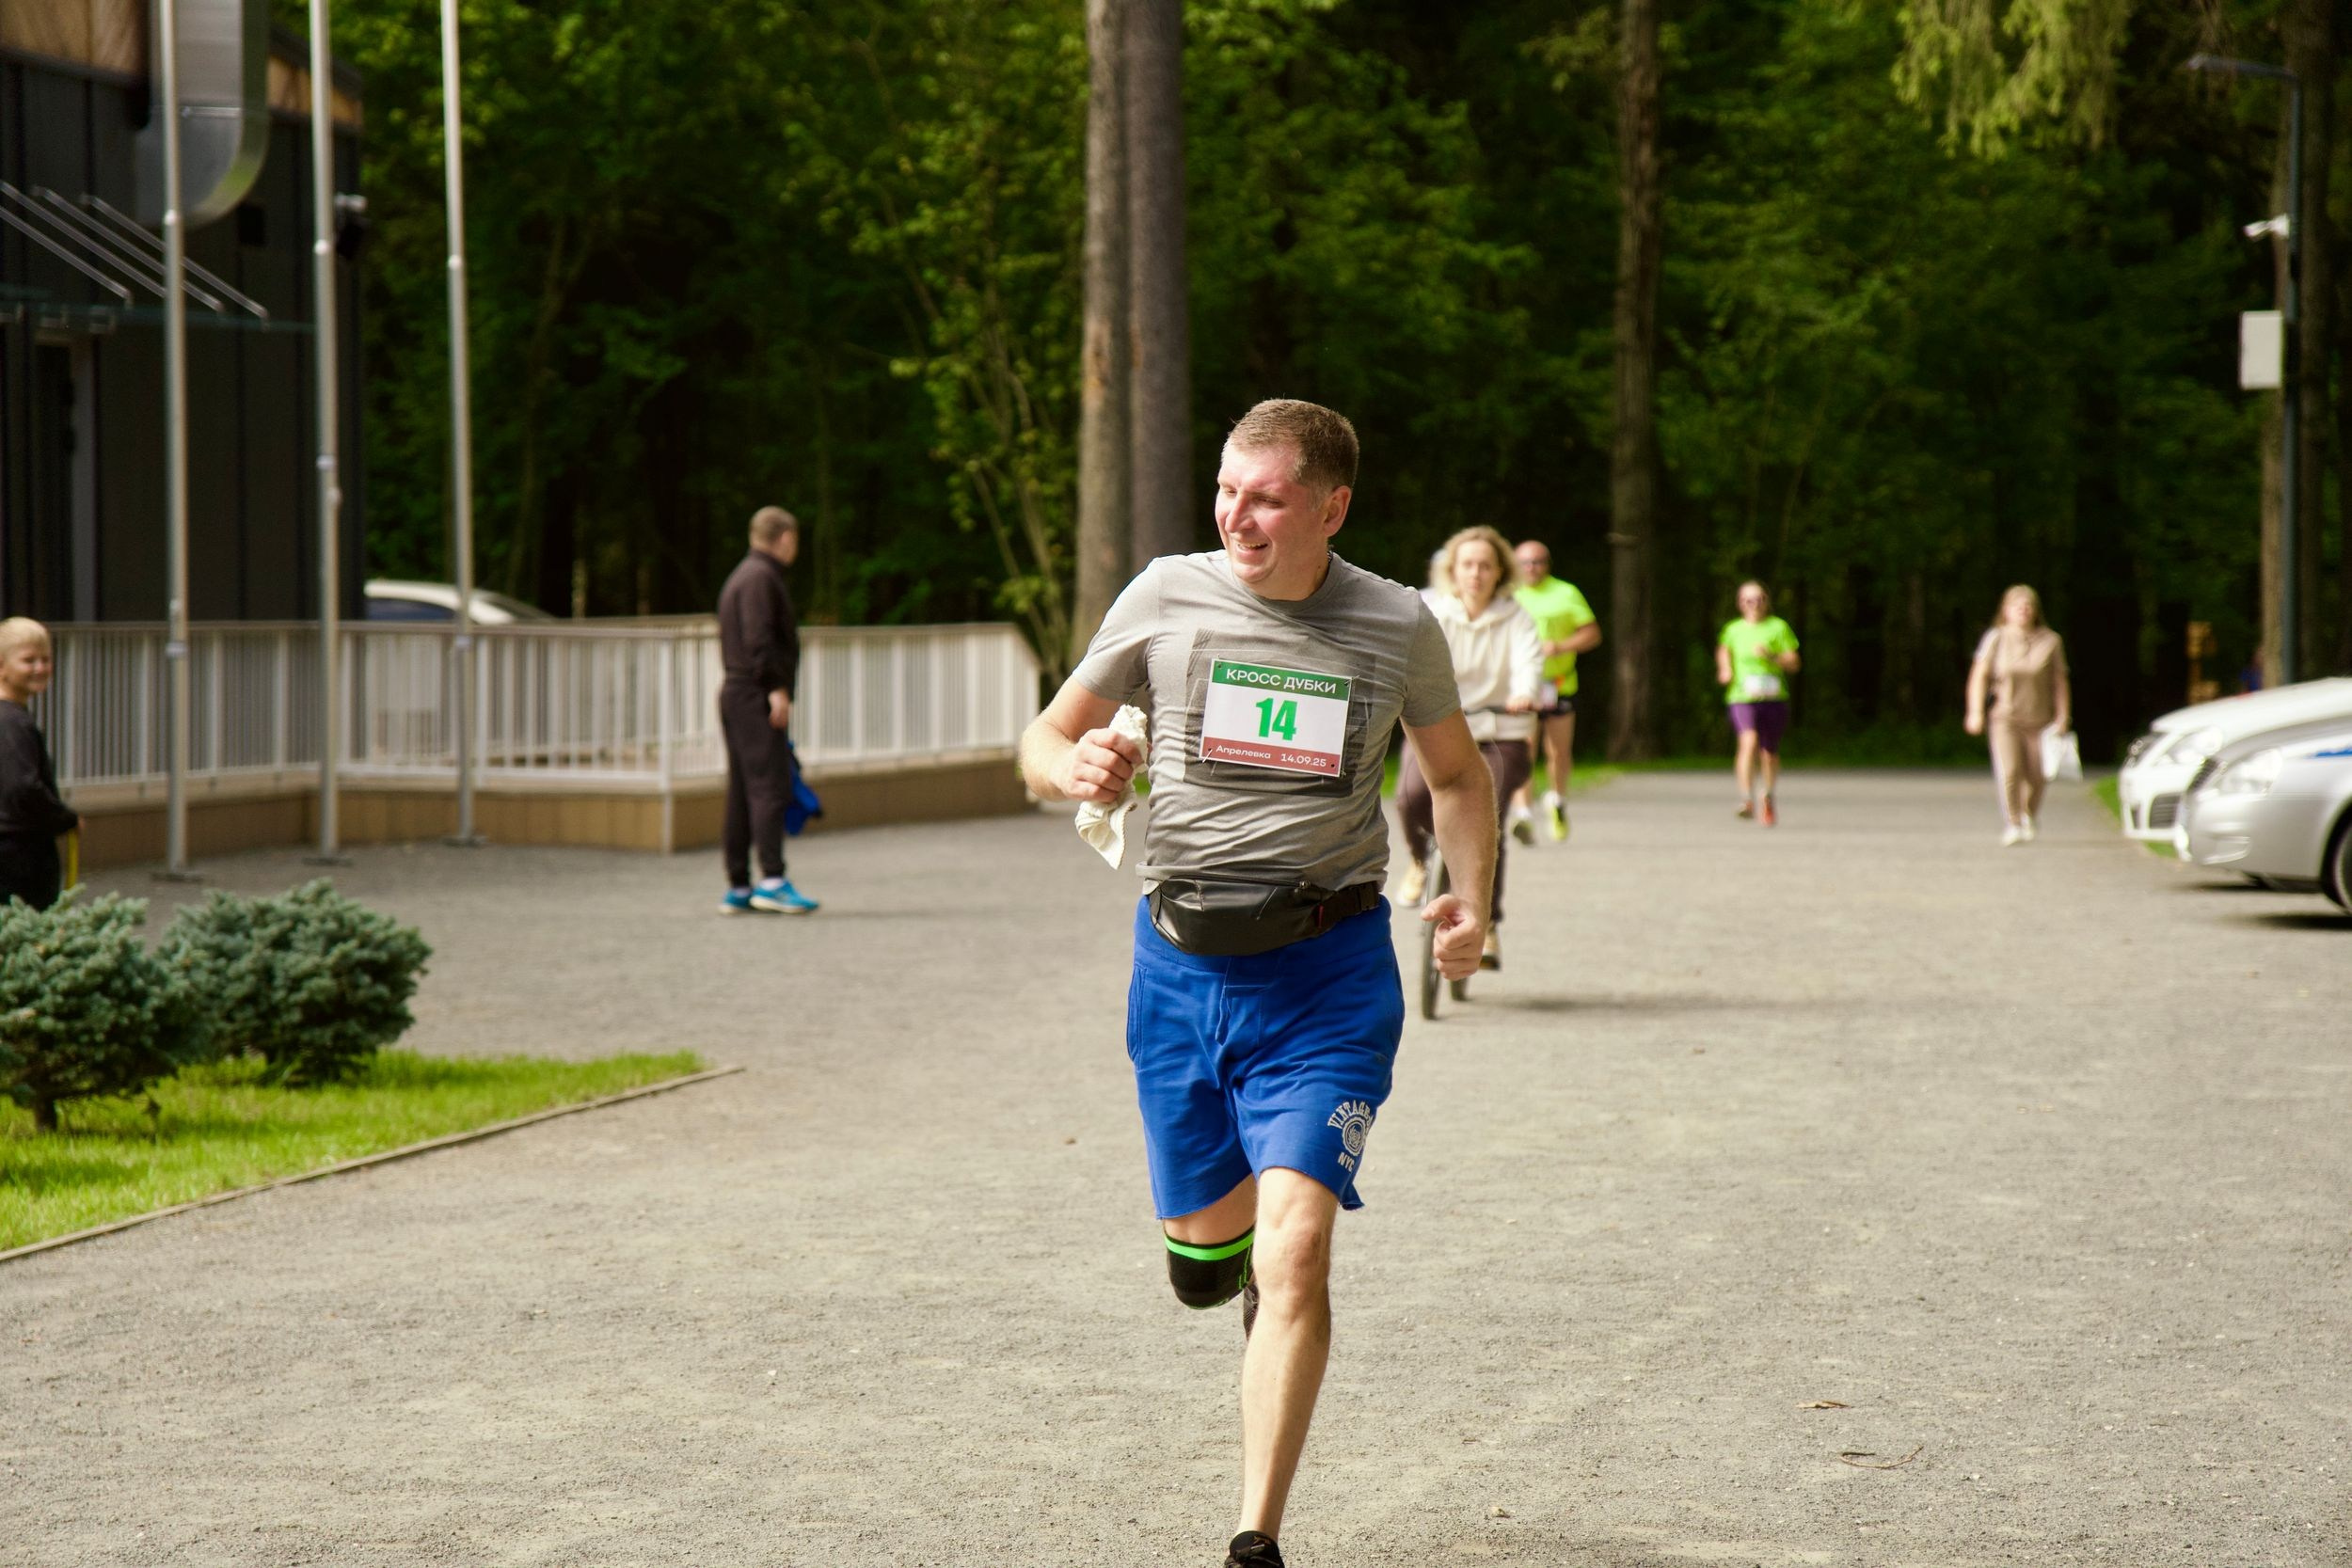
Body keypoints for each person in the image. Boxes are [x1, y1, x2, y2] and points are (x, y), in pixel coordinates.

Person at [1020, 399, 1494, 1568]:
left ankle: (1254, 1535)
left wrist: (1468, 901)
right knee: (1207, 1260)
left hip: (1327, 975)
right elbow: (1043, 739)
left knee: (1297, 1252)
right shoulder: (1165, 593)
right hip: (1178, 972)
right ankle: (1215, 1261)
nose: (1237, 513)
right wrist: (1071, 761)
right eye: (1228, 488)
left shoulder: (1395, 623)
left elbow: (1460, 776)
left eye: (1268, 494)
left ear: (1331, 506)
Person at [1395, 526, 1542, 971]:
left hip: (1501, 730)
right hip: (1439, 726)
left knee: (1487, 819)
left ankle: (1487, 923)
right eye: (1467, 565)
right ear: (1452, 571)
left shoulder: (1517, 617)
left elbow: (1527, 662)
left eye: (1485, 565)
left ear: (1500, 572)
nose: (1475, 574)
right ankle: (1420, 861)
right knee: (1409, 797)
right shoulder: (1429, 609)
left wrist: (1525, 691)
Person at [715, 506, 818, 915]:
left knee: (743, 789)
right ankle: (772, 880)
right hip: (755, 693)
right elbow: (760, 638)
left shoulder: (742, 575)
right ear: (786, 539)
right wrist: (776, 687)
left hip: (736, 692)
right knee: (769, 786)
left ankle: (739, 884)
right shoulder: (762, 578)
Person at [1506, 539, 1600, 843]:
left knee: (1557, 750)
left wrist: (1560, 646)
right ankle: (1523, 813)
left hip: (1558, 683)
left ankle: (1557, 800)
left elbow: (1591, 633)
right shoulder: (1506, 593)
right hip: (1521, 685)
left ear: (1547, 564)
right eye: (1525, 563)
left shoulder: (1565, 592)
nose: (1531, 568)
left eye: (1538, 562)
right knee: (1524, 747)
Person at [1964, 584, 2072, 847]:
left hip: (2041, 719)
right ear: (2006, 610)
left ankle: (2028, 814)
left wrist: (2063, 716)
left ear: (2036, 611)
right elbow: (1979, 676)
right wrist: (1975, 711)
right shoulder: (1996, 638)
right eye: (2017, 606)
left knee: (2038, 775)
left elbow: (2060, 681)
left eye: (2028, 606)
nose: (2023, 611)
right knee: (2010, 771)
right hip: (2005, 717)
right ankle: (2013, 823)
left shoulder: (2051, 641)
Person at [0, 618, 80, 911]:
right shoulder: (12, 723)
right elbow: (22, 787)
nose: (40, 668)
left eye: (45, 659)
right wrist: (65, 818)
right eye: (28, 660)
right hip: (17, 855)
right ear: (1, 665)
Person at [1715, 581, 1800, 825]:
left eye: (1760, 599)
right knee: (1748, 741)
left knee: (1769, 754)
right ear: (1740, 603)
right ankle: (1746, 799)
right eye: (1748, 600)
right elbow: (1723, 650)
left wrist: (1772, 656)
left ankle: (1768, 796)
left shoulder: (1778, 627)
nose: (1755, 605)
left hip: (1773, 697)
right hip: (1742, 696)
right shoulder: (1734, 629)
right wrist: (1725, 669)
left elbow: (1794, 663)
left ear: (1767, 601)